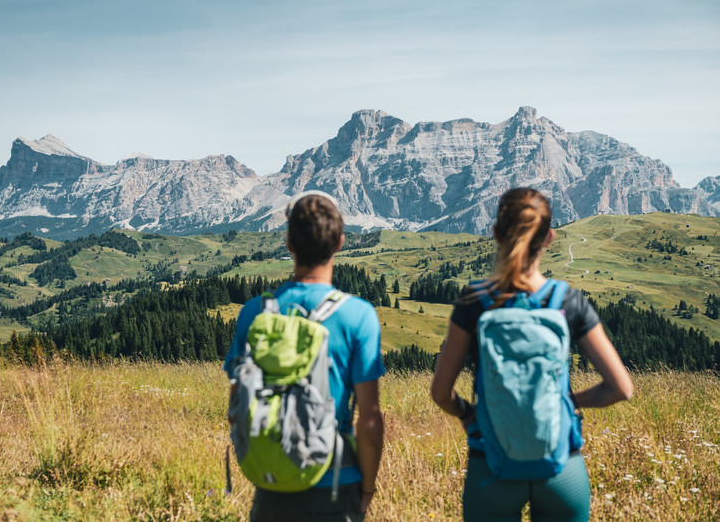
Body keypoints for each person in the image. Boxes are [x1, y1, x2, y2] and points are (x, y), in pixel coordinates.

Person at [431, 187, 634, 521]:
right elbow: (621, 388)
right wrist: (569, 402)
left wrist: (468, 414)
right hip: (561, 468)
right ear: (549, 238)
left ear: (495, 234)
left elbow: (440, 393)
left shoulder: (474, 300)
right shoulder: (567, 301)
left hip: (491, 465)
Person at [224, 190, 385, 522]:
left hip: (273, 482)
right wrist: (368, 489)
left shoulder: (254, 312)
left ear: (289, 243)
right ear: (340, 243)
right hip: (337, 482)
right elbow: (369, 419)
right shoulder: (359, 315)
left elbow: (236, 405)